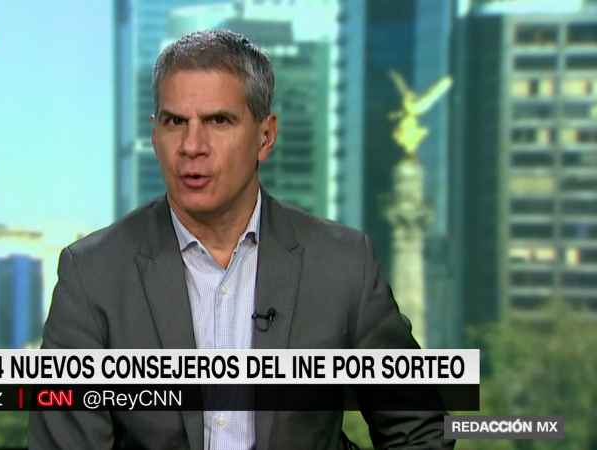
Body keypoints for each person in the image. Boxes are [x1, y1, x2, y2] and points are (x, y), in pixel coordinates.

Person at [28, 29, 454, 450]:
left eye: (218, 121)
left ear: (265, 137)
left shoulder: (343, 265)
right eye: (176, 122)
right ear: (155, 136)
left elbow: (419, 428)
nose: (192, 146)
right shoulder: (91, 276)